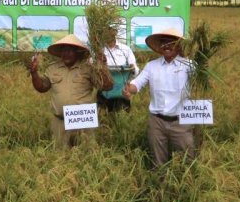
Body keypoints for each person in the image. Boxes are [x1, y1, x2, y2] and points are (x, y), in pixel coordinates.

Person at [122, 28, 196, 166]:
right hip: (157, 122)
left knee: (188, 160)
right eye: (164, 43)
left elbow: (202, 80)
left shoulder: (189, 66)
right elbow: (137, 84)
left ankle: (187, 186)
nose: (167, 46)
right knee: (158, 162)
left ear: (179, 46)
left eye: (171, 42)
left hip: (181, 121)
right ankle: (160, 185)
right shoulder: (152, 66)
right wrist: (129, 90)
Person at [28, 34, 113, 150]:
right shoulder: (53, 68)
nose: (65, 54)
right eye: (63, 50)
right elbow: (42, 87)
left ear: (78, 52)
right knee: (60, 159)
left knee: (86, 155)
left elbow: (107, 86)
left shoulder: (88, 68)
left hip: (83, 122)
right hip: (60, 122)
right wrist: (34, 73)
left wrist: (102, 66)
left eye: (69, 50)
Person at [97, 36, 140, 112]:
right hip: (103, 91)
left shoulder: (125, 49)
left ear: (115, 33)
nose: (109, 34)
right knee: (104, 118)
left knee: (122, 117)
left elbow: (135, 69)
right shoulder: (99, 50)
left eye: (111, 31)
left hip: (122, 92)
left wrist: (132, 69)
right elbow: (93, 68)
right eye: (107, 32)